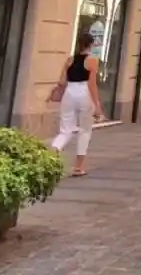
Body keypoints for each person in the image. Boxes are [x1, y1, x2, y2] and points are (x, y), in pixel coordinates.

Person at [52, 31, 104, 177]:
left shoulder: (70, 60)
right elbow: (92, 84)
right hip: (84, 93)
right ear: (91, 44)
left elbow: (62, 82)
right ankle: (78, 167)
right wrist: (97, 105)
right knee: (85, 130)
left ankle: (54, 151)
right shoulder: (92, 60)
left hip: (69, 93)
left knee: (65, 130)